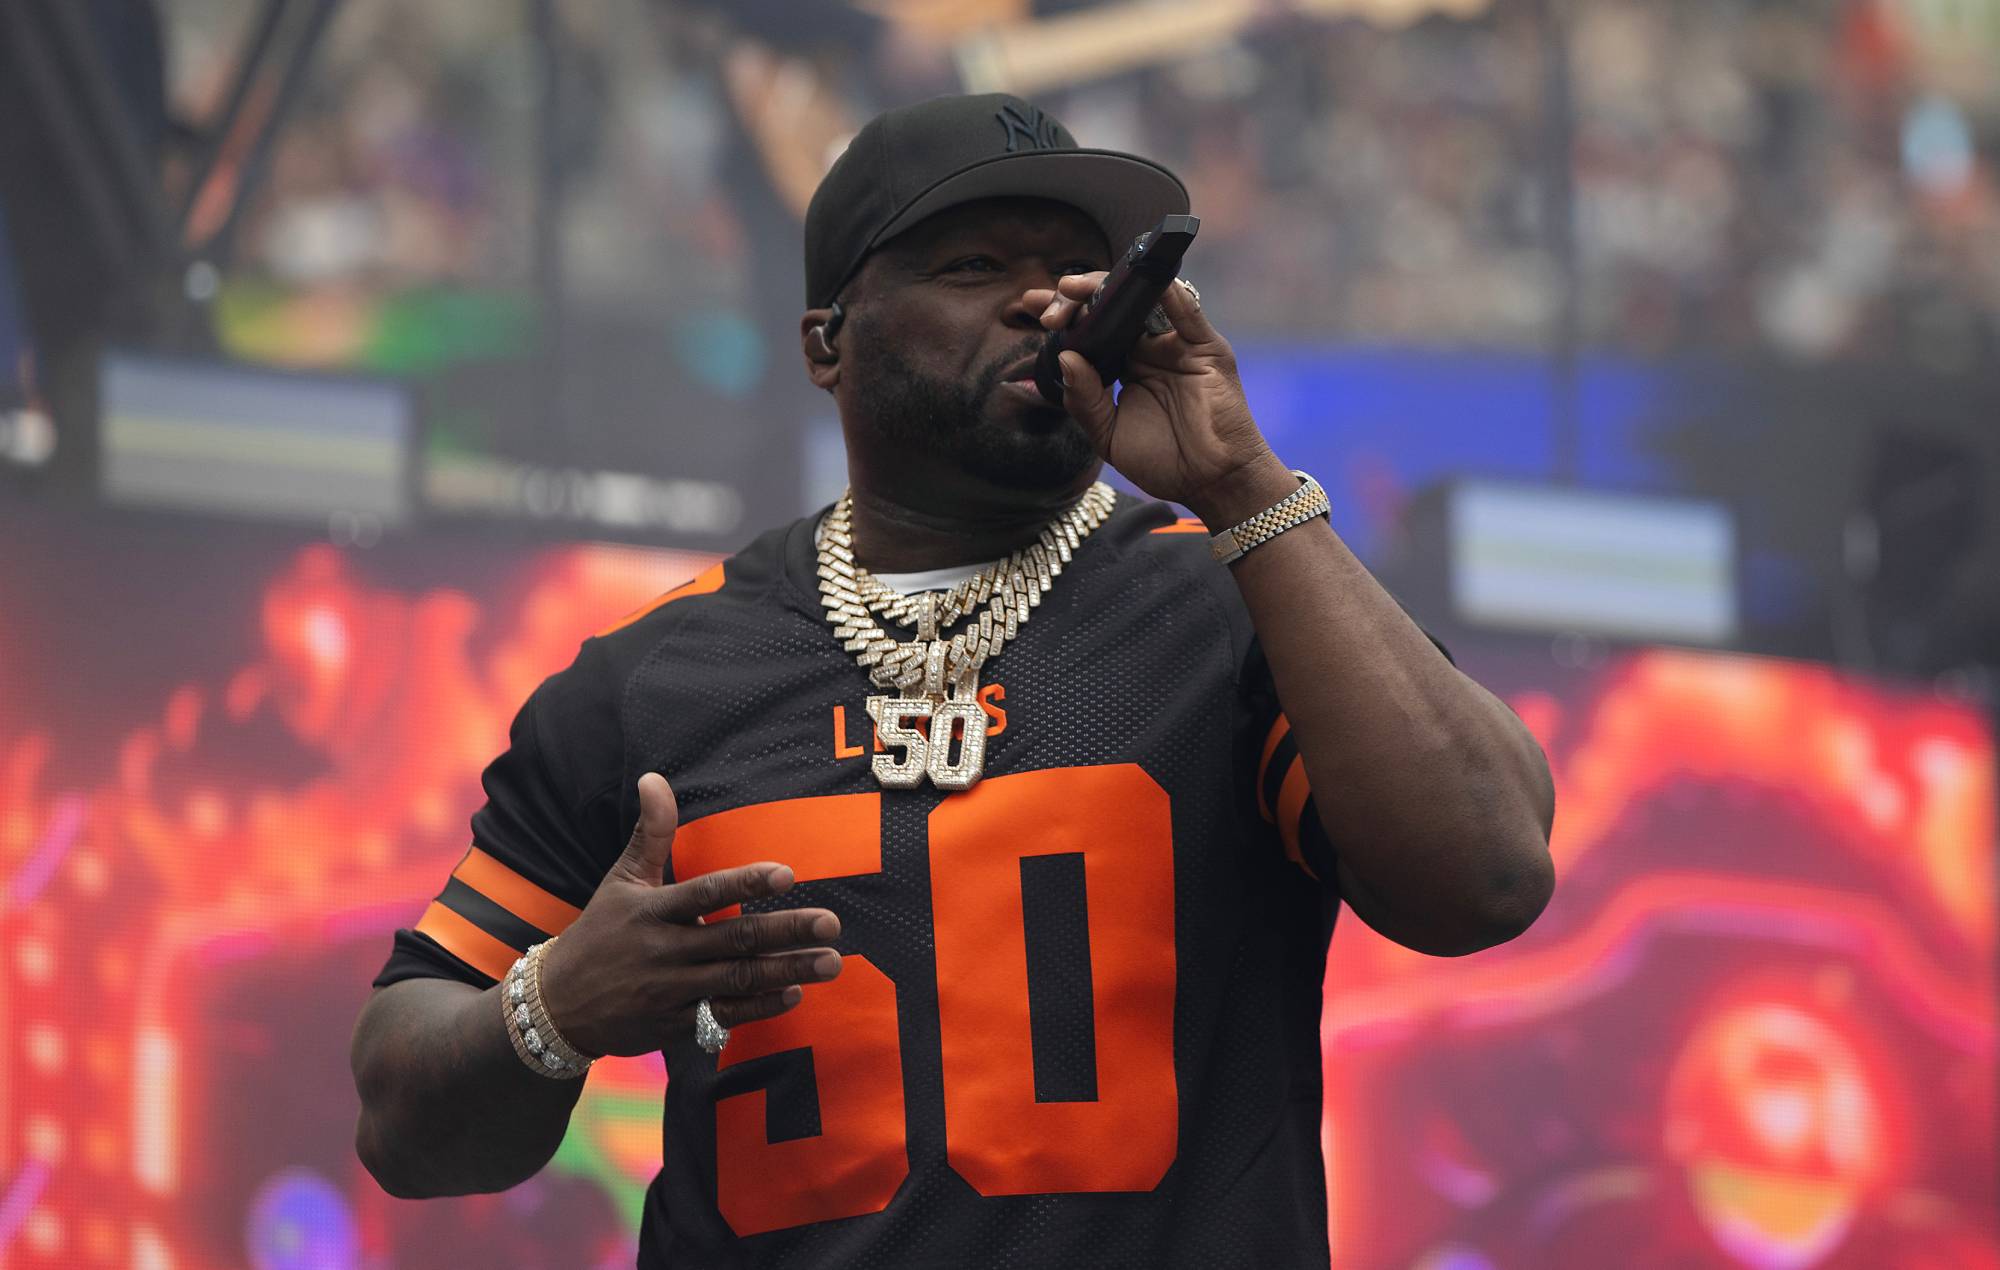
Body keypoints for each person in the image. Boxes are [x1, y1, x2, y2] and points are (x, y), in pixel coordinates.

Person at [351, 92, 1556, 1267]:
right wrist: (557, 1005)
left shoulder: (1237, 607)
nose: (1043, 300)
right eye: (975, 264)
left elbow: (1486, 878)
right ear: (827, 340)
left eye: (1079, 269)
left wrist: (1241, 483)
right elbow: (402, 1116)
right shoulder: (654, 678)